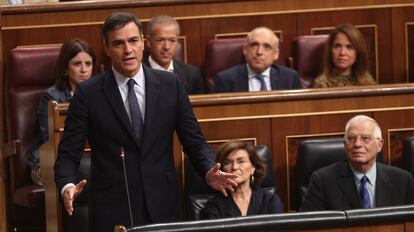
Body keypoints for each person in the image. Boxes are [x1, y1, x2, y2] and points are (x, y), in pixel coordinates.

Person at [54, 12, 238, 231]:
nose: (128, 50)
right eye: (118, 43)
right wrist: (66, 185)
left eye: (133, 41)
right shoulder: (88, 94)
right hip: (113, 209)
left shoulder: (171, 84)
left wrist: (209, 170)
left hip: (163, 206)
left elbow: (194, 141)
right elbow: (68, 153)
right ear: (106, 47)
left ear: (143, 41)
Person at [300, 115, 414, 211]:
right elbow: (307, 226)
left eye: (365, 138)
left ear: (379, 145)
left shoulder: (402, 180)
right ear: (345, 145)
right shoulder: (322, 181)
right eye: (351, 139)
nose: (357, 144)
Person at [28, 38, 96, 186]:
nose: (84, 70)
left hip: (88, 158)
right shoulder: (51, 97)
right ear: (66, 68)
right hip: (51, 161)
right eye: (77, 64)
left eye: (88, 64)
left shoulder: (100, 94)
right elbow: (51, 138)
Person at [200, 140, 283, 219]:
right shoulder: (213, 206)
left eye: (241, 161)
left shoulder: (269, 200)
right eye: (227, 163)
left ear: (253, 168)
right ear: (222, 170)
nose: (235, 167)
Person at [212, 27, 302, 93]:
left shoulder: (290, 78)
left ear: (276, 54)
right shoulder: (225, 80)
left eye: (266, 47)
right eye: (254, 45)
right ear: (245, 50)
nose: (259, 52)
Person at [144, 15, 204, 94]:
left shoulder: (192, 75)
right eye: (160, 40)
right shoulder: (137, 74)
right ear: (148, 41)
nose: (166, 47)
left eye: (172, 41)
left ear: (177, 41)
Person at [313, 23, 377, 88]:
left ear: (358, 52)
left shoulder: (367, 81)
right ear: (330, 51)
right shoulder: (322, 83)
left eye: (349, 47)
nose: (342, 53)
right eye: (337, 46)